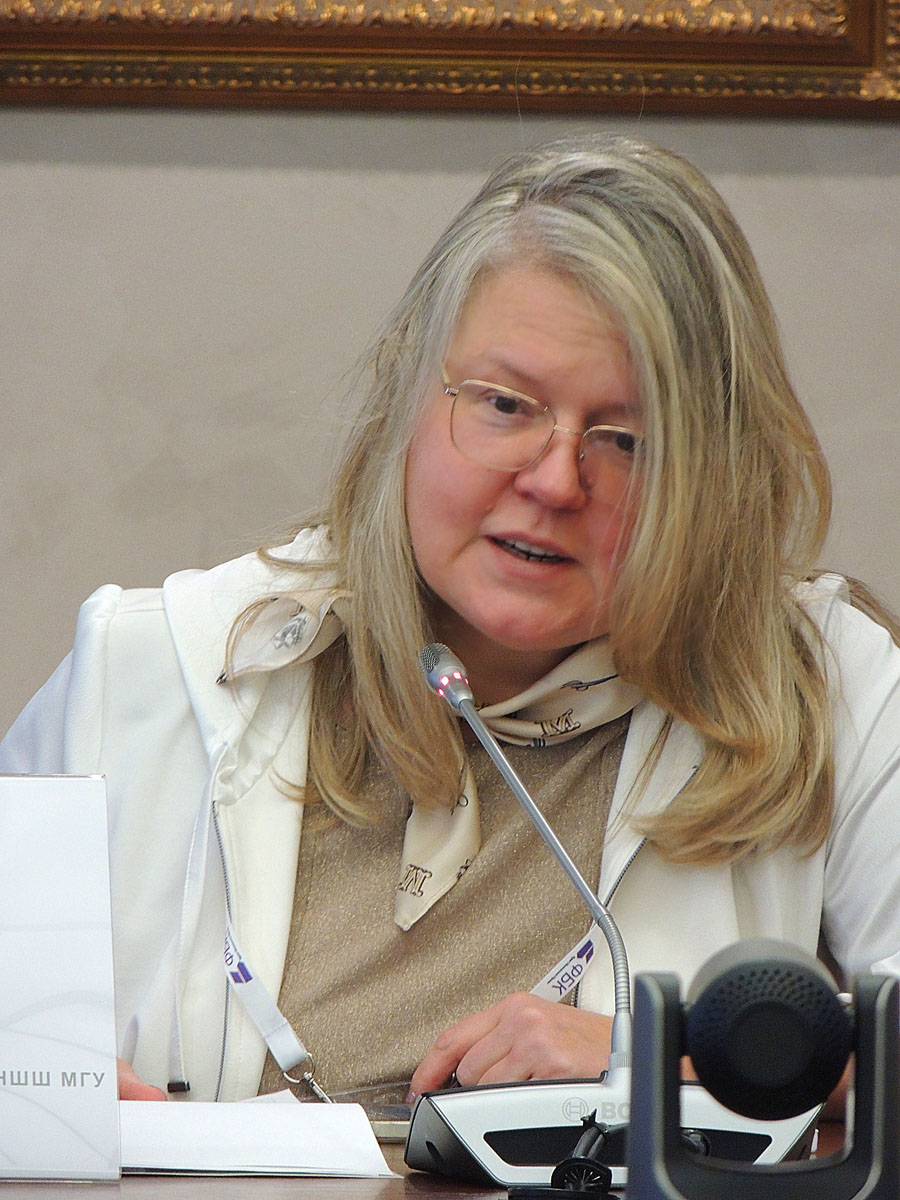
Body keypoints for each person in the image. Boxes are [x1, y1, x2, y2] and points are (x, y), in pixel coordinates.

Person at [2, 134, 899, 1110]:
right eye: (506, 405)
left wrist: (656, 1059)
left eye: (627, 441)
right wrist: (42, 1101)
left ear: (714, 471)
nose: (556, 481)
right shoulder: (149, 669)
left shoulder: (824, 683)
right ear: (408, 398)